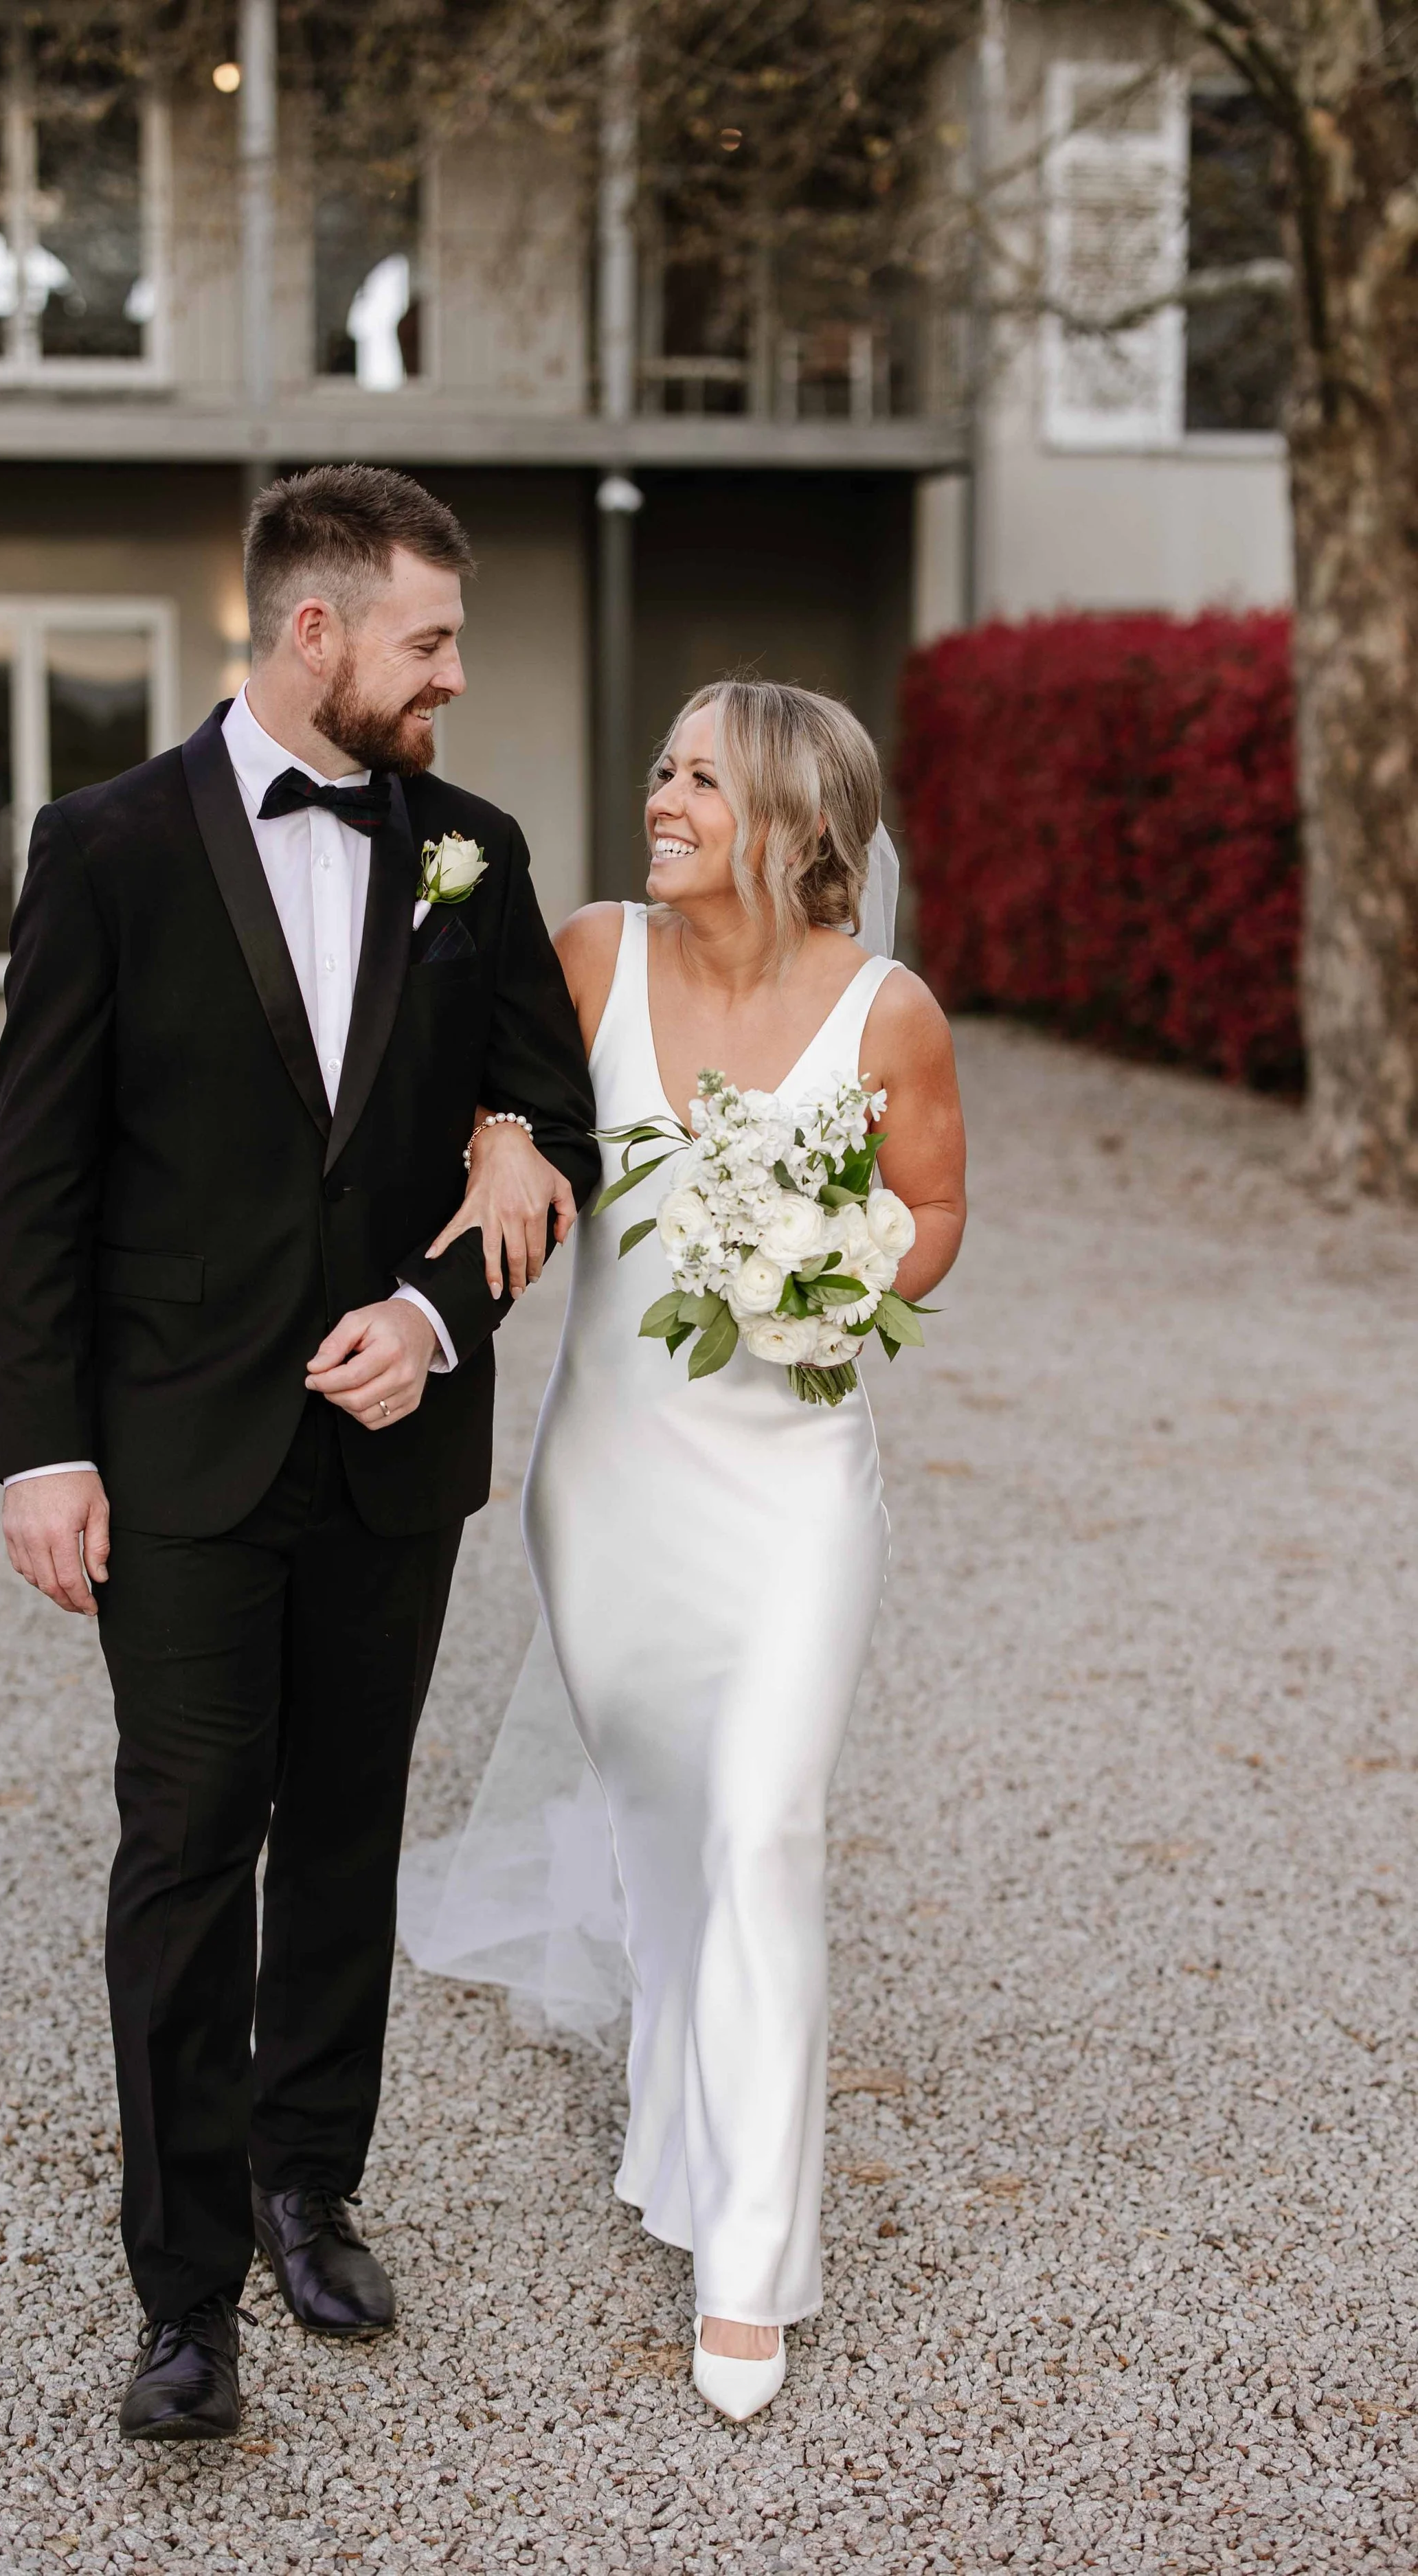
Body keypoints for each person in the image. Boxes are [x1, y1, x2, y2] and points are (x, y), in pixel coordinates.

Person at [0, 466, 598, 2442]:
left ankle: (306, 2184)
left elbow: (547, 1132)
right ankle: (181, 2289)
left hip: (389, 1459)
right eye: (428, 642)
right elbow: (41, 1182)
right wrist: (39, 1452)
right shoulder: (103, 847)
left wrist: (435, 1321)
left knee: (344, 1827)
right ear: (313, 630)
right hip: (170, 1452)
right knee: (185, 1847)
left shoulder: (477, 856)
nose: (454, 677)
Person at [409, 679, 967, 2421]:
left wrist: (847, 1273)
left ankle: (750, 2258)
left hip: (795, 1481)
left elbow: (935, 1205)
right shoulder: (586, 955)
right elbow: (480, 1093)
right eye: (658, 767)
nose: (661, 797)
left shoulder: (888, 1012)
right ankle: (680, 2118)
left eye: (701, 778)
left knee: (763, 1825)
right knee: (665, 1842)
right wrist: (502, 1133)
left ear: (798, 819)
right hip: (613, 1492)